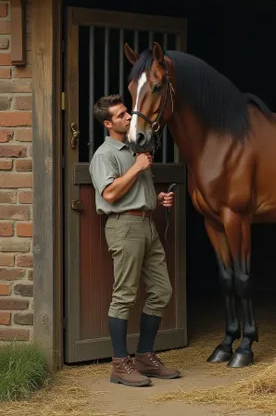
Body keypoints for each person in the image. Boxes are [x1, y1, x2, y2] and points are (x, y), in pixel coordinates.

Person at [89, 94, 181, 387]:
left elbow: (136, 189)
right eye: (120, 115)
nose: (129, 117)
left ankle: (144, 356)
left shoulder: (133, 150)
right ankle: (119, 364)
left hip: (146, 224)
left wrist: (157, 198)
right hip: (124, 227)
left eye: (127, 112)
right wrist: (138, 168)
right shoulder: (105, 155)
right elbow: (110, 194)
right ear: (107, 123)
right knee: (124, 295)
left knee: (162, 290)